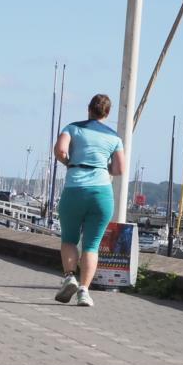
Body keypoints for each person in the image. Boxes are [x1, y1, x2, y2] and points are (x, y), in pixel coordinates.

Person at [52, 93, 125, 307]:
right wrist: (104, 168)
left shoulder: (72, 128)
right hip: (102, 193)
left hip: (75, 189)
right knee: (91, 246)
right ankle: (84, 291)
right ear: (107, 113)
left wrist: (69, 162)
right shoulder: (114, 138)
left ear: (88, 109)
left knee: (69, 240)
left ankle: (69, 277)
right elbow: (119, 169)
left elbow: (60, 150)